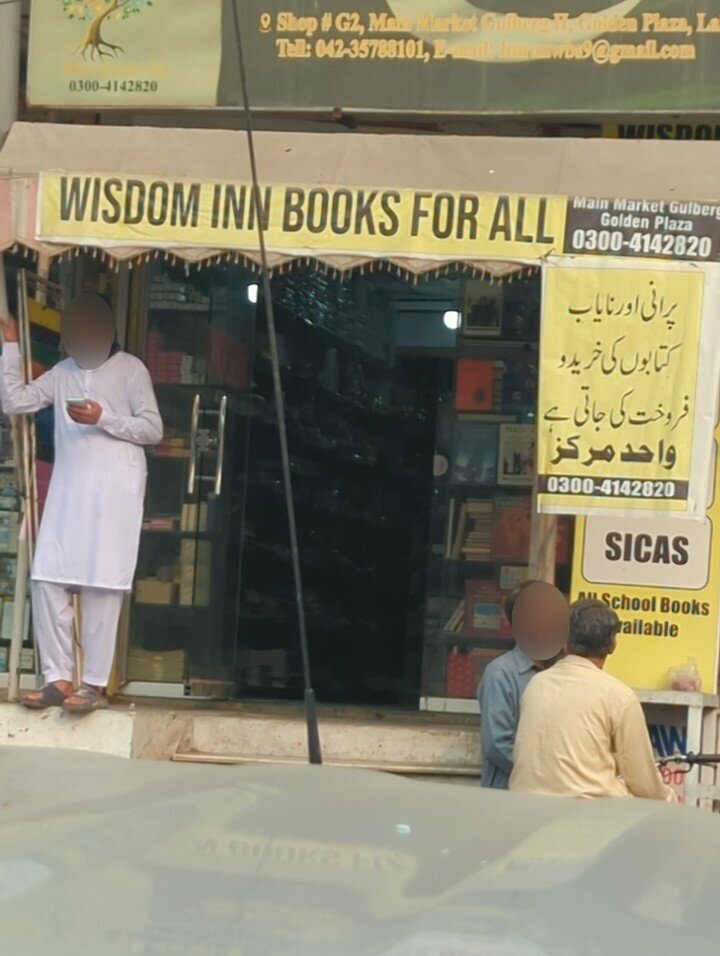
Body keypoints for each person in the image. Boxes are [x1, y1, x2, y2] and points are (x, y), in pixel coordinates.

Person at [0, 294, 162, 713]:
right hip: (69, 492)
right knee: (47, 576)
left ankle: (92, 684)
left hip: (114, 494)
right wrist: (12, 346)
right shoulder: (63, 372)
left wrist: (103, 417)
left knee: (102, 585)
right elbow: (15, 402)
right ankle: (57, 677)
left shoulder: (131, 370)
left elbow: (152, 429)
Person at [509, 599, 675, 801]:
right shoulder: (617, 695)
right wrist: (670, 798)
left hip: (525, 804)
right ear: (613, 644)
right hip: (587, 813)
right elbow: (644, 783)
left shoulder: (536, 684)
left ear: (564, 641)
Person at [477, 579, 561, 789]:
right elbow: (497, 745)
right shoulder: (501, 673)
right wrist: (545, 776)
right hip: (509, 795)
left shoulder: (564, 670)